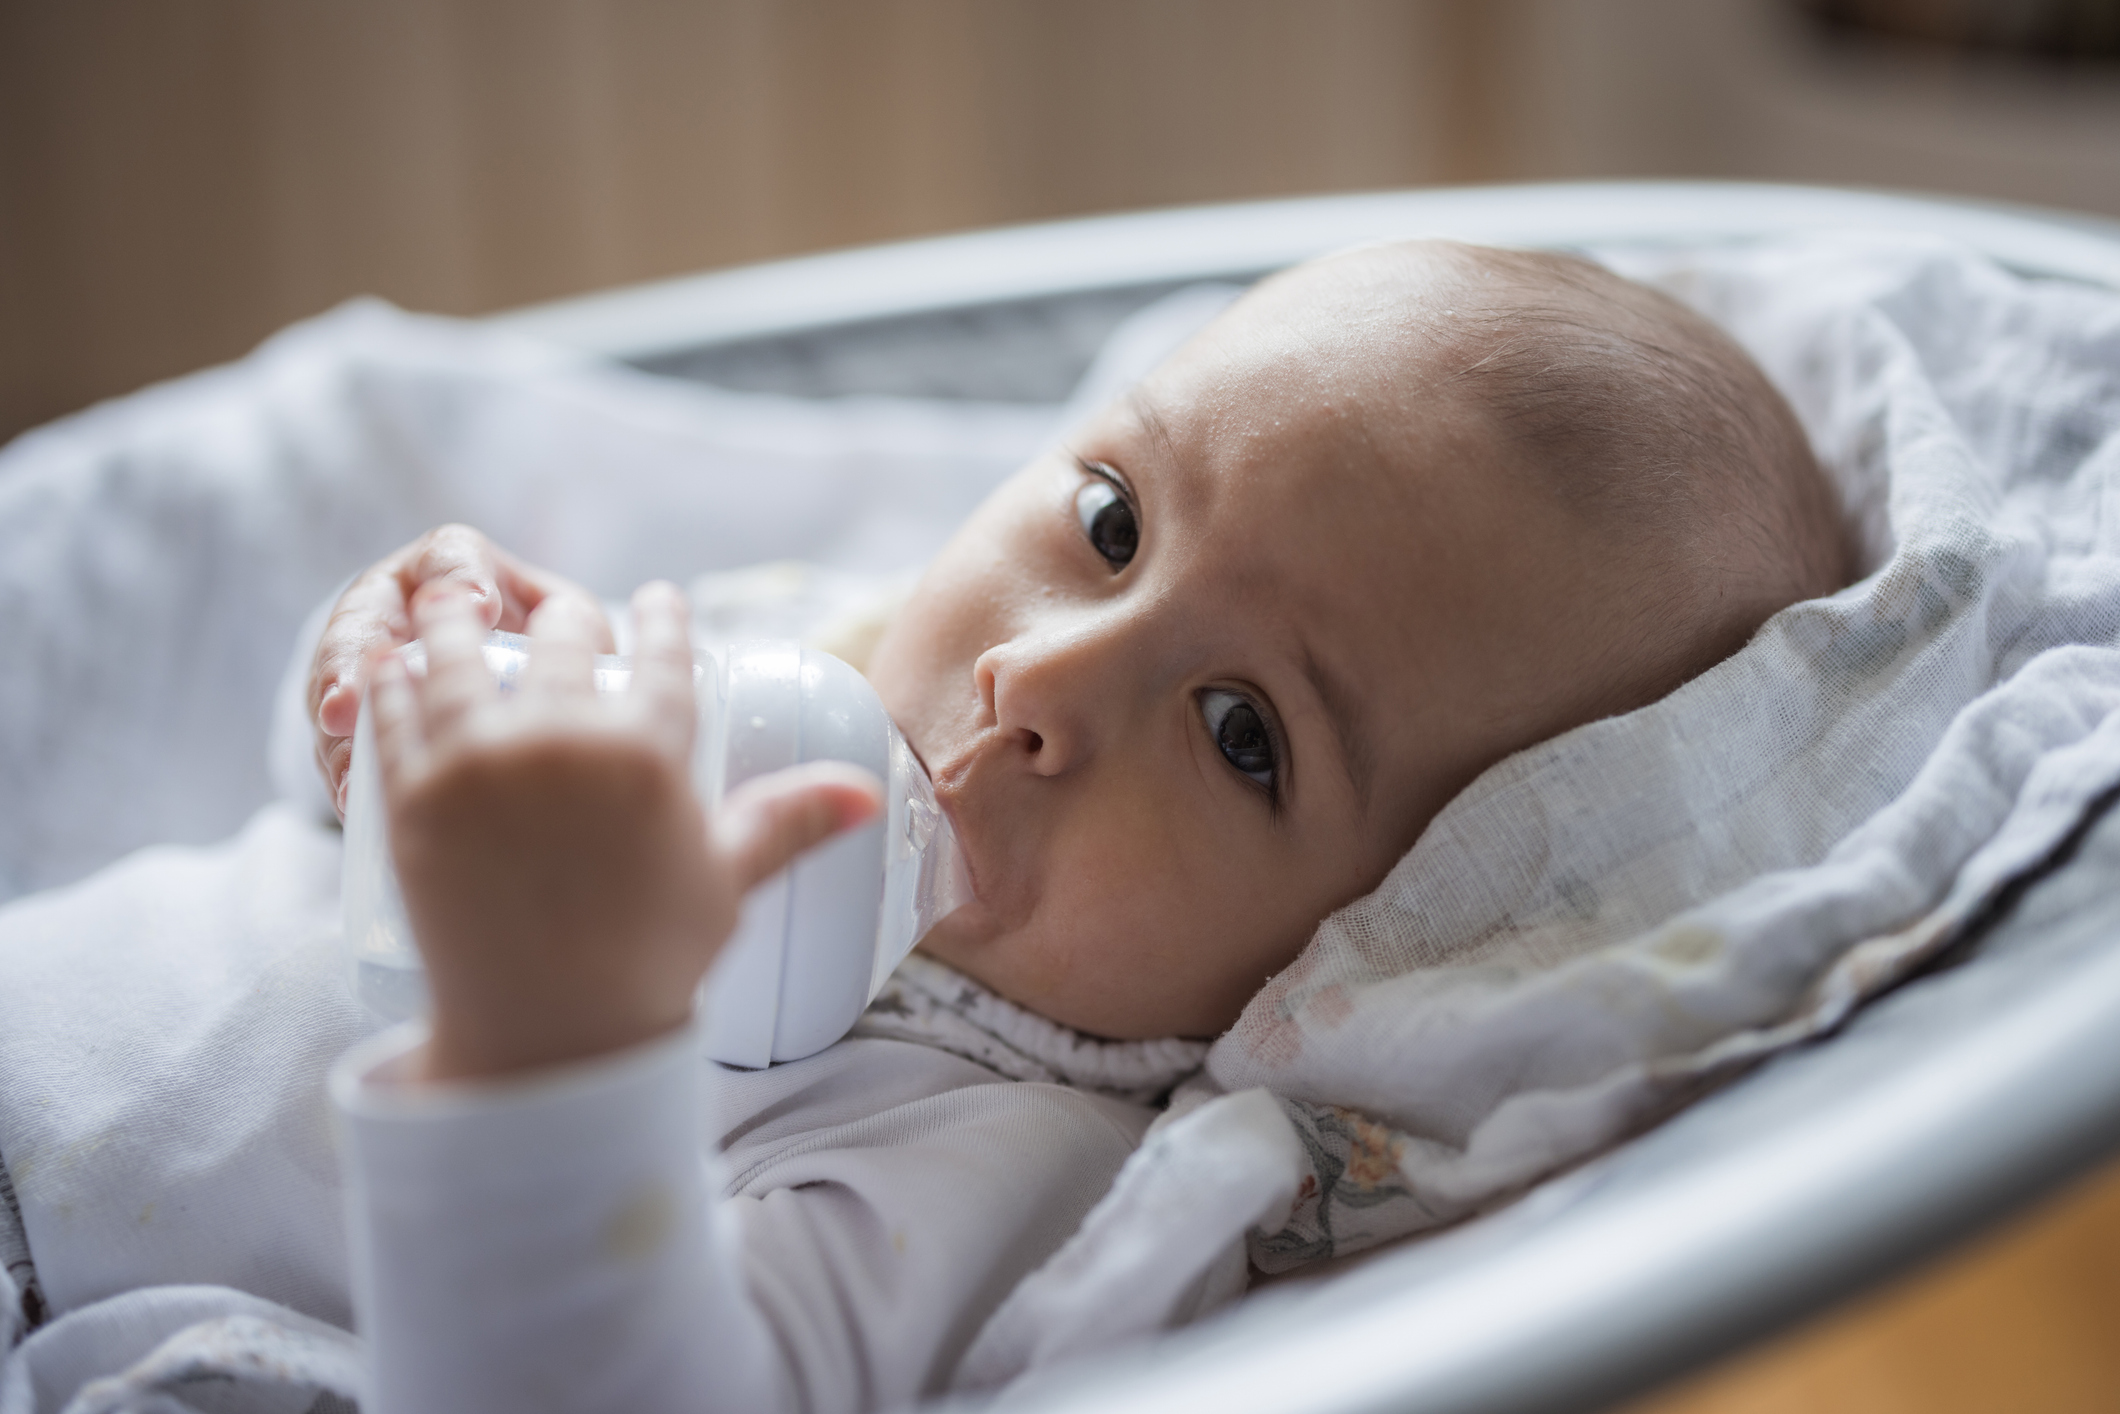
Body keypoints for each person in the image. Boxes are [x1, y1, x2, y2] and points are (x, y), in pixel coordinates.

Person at [17, 240, 1852, 1413]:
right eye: (1115, 523)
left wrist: (555, 1046)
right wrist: (383, 684)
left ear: (1374, 940)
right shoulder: (779, 658)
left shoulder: (1003, 1153)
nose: (1044, 677)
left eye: (1241, 735)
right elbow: (328, 834)